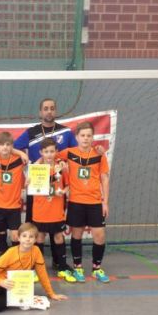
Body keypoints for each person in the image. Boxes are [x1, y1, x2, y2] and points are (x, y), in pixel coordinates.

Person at [14, 98, 77, 268]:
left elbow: (76, 153)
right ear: (40, 112)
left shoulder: (66, 132)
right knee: (38, 231)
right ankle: (35, 264)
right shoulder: (31, 132)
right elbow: (14, 147)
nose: (49, 111)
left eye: (52, 108)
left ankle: (59, 263)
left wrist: (65, 166)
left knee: (57, 230)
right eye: (46, 108)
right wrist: (24, 156)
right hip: (37, 185)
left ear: (55, 111)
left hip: (57, 183)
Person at [58, 121, 110, 283]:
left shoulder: (99, 154)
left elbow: (104, 178)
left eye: (89, 135)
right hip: (76, 201)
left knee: (99, 236)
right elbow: (50, 158)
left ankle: (96, 268)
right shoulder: (69, 153)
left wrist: (105, 202)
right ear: (77, 137)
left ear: (93, 137)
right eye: (82, 135)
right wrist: (60, 164)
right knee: (76, 235)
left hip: (95, 202)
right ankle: (78, 267)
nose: (86, 138)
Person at [31, 138, 83, 282]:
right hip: (40, 211)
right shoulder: (36, 168)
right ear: (41, 152)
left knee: (59, 237)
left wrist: (63, 192)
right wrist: (30, 179)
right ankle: (37, 269)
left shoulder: (62, 168)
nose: (49, 154)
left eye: (52, 151)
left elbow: (68, 186)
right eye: (46, 152)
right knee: (39, 238)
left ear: (56, 152)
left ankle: (62, 268)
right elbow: (30, 186)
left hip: (56, 210)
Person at [0, 131, 27, 254]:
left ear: (12, 146)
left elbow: (28, 160)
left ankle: (15, 258)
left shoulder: (19, 160)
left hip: (13, 205)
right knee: (1, 233)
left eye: (8, 144)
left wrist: (19, 152)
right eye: (2, 144)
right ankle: (4, 257)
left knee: (15, 235)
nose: (5, 147)